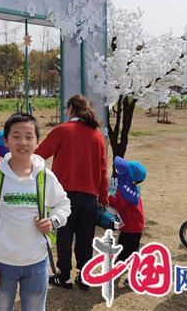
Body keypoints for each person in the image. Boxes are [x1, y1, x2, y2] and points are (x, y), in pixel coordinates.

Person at [0, 113, 71, 311]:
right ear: (6, 141)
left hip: (37, 262)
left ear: (37, 142)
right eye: (16, 136)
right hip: (2, 262)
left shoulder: (44, 176)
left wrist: (53, 221)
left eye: (29, 137)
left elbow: (64, 204)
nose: (23, 142)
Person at [35, 94, 109, 290]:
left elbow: (39, 154)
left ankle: (64, 275)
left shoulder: (62, 130)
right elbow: (103, 168)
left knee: (65, 236)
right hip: (90, 196)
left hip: (64, 194)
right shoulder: (97, 135)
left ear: (70, 109)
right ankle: (84, 276)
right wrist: (104, 195)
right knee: (86, 237)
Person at [109, 156, 147, 263]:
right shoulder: (130, 187)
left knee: (128, 253)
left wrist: (108, 196)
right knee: (124, 248)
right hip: (131, 227)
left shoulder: (126, 191)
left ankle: (135, 274)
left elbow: (118, 204)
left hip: (132, 228)